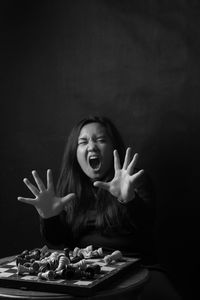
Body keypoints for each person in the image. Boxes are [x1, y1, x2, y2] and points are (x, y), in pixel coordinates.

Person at [17, 115, 182, 299]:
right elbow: (57, 241)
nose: (92, 146)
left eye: (101, 140)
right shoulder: (70, 188)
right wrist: (49, 217)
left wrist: (128, 200)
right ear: (75, 152)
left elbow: (146, 227)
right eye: (83, 142)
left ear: (113, 148)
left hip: (137, 270)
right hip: (87, 272)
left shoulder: (133, 181)